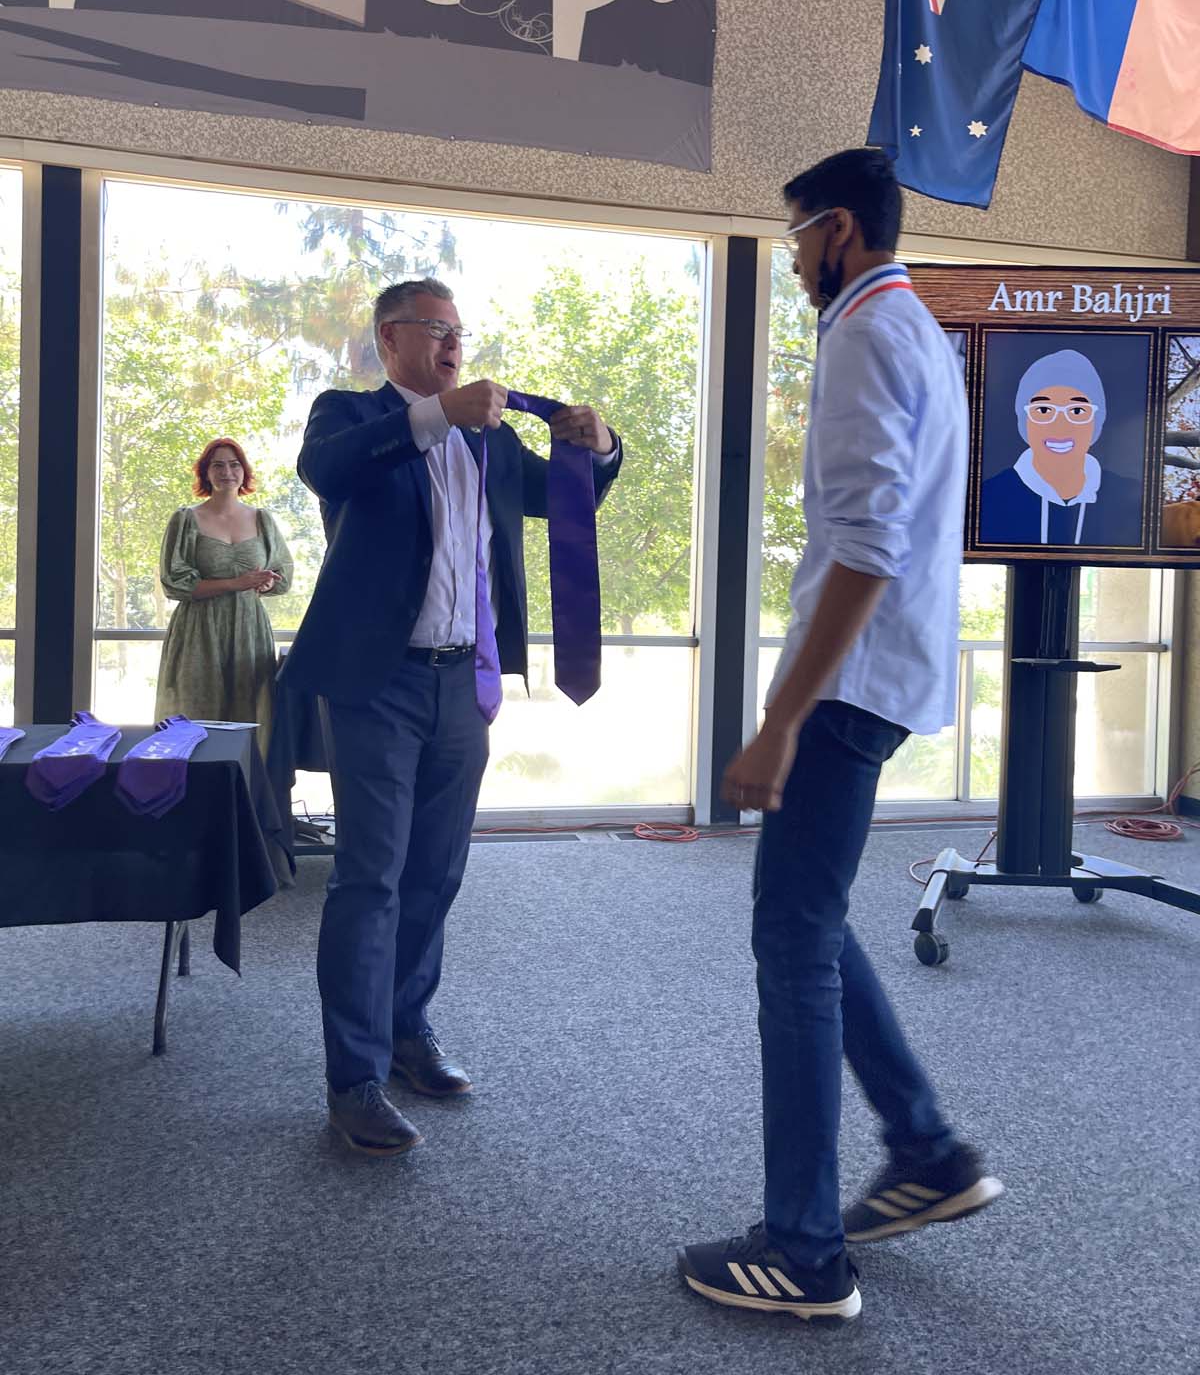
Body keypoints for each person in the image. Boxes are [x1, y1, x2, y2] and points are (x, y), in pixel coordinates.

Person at [677, 150, 1003, 1325]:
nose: (794, 258)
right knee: (810, 918)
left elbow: (864, 546)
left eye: (799, 235)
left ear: (844, 233)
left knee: (790, 938)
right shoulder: (916, 328)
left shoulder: (866, 334)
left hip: (848, 685)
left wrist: (778, 718)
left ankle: (805, 1249)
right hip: (885, 676)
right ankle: (925, 1149)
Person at [278, 278, 622, 1156]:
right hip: (375, 685)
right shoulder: (349, 417)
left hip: (461, 686)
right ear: (391, 339)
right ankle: (352, 1078)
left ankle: (404, 1034)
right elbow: (327, 472)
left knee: (435, 874)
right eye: (436, 330)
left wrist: (601, 446)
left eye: (460, 332)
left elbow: (566, 499)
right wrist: (437, 416)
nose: (453, 344)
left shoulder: (492, 441)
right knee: (371, 878)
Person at [156, 438, 293, 757]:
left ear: (244, 473)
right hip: (199, 632)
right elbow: (175, 584)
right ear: (205, 473)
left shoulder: (262, 519)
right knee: (196, 715)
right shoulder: (186, 519)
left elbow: (283, 575)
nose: (227, 471)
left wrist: (266, 583)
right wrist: (238, 582)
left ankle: (245, 800)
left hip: (249, 630)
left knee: (251, 718)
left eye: (234, 464)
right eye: (217, 465)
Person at [978, 347, 1144, 547]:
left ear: (1097, 422)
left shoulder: (1132, 498)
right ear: (1024, 422)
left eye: (1076, 411)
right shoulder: (987, 498)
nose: (1060, 425)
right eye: (1044, 410)